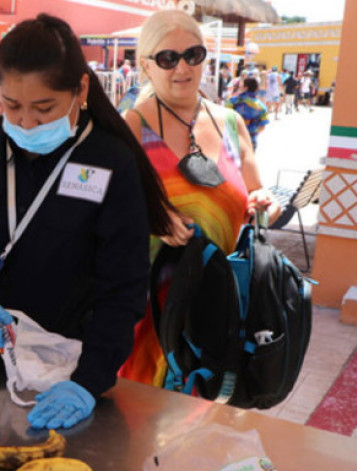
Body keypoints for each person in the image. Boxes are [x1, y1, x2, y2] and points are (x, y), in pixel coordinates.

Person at [0, 14, 174, 430]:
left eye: (43, 108)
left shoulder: (107, 162)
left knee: (20, 456)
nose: (26, 122)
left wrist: (87, 381)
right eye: (12, 106)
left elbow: (123, 289)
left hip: (47, 366)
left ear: (80, 90)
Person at [118, 9, 280, 386]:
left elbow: (253, 189)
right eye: (167, 58)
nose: (182, 68)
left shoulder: (230, 123)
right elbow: (104, 211)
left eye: (193, 55)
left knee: (203, 416)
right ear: (146, 65)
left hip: (219, 307)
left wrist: (264, 202)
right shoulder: (130, 128)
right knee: (144, 418)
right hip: (147, 311)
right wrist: (154, 218)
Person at [228, 78, 270, 150]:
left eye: (241, 86)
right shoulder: (261, 107)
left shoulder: (232, 101)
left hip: (233, 139)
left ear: (245, 88)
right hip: (251, 140)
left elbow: (224, 118)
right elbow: (262, 127)